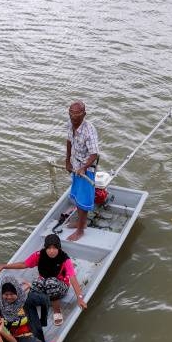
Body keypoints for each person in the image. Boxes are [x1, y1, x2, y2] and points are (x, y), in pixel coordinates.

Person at [0, 234, 87, 326]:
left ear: (59, 248)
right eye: (49, 248)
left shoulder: (65, 259)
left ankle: (57, 311)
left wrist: (79, 298)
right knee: (36, 283)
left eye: (54, 248)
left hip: (60, 287)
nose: (51, 251)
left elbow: (73, 279)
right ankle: (26, 308)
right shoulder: (39, 255)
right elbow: (24, 264)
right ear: (45, 248)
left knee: (50, 282)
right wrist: (4, 266)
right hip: (44, 283)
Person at [63, 100, 99, 242]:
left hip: (86, 168)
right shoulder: (70, 124)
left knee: (83, 199)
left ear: (84, 114)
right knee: (77, 196)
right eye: (71, 113)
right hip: (75, 165)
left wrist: (84, 168)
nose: (73, 116)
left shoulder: (89, 130)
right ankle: (81, 222)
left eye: (77, 114)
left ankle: (80, 230)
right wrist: (67, 161)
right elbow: (69, 141)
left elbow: (94, 153)